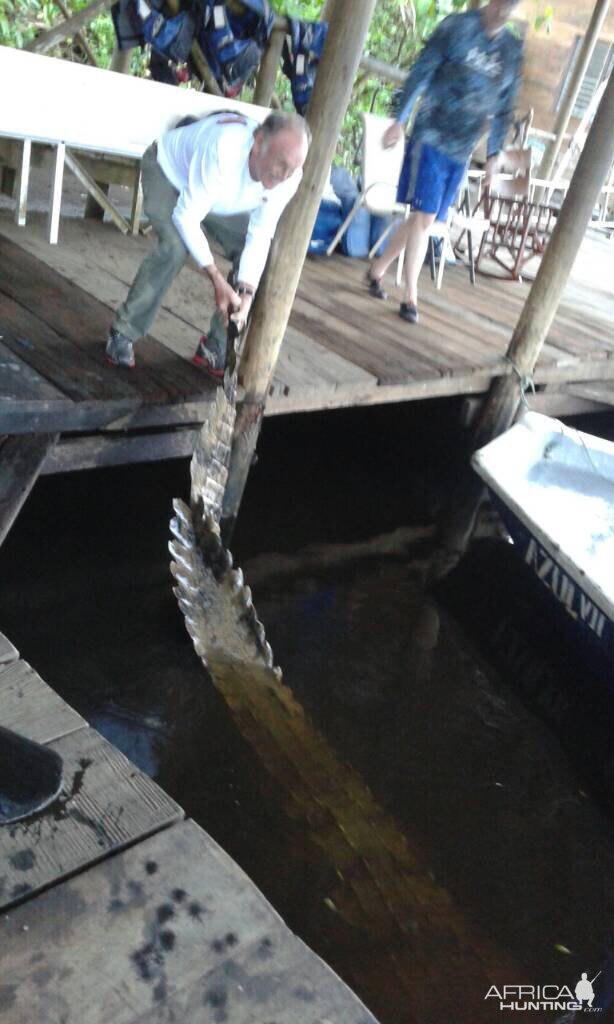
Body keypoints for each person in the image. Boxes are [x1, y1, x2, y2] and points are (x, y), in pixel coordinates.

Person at [106, 110, 310, 376]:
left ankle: (216, 344)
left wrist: (246, 294)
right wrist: (215, 277)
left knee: (261, 261)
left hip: (214, 197)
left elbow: (260, 234)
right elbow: (186, 216)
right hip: (168, 173)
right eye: (281, 164)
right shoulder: (223, 148)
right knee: (175, 248)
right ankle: (123, 332)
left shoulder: (289, 176)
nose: (284, 176)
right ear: (258, 142)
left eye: (292, 169)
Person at [367, 0, 523, 324]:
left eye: (513, 3)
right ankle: (411, 297)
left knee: (425, 220)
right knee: (424, 218)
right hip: (430, 136)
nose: (504, 8)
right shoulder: (456, 27)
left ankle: (377, 269)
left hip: (462, 149)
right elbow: (421, 73)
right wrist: (400, 119)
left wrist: (494, 154)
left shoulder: (510, 51)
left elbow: (504, 109)